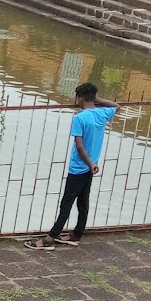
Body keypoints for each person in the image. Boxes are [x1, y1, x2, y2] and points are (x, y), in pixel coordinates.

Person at [26, 83, 119, 250]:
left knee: (66, 203)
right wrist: (96, 98)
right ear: (94, 97)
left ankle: (49, 239)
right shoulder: (103, 113)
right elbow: (116, 106)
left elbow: (80, 146)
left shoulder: (80, 118)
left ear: (80, 98)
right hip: (91, 167)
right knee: (83, 201)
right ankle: (76, 235)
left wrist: (88, 163)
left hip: (79, 167)